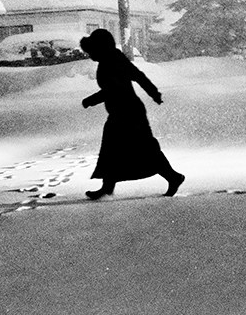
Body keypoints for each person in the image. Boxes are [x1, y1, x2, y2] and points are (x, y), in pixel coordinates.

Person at [79, 28, 185, 200]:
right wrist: (154, 93)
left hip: (129, 113)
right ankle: (107, 187)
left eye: (92, 51)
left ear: (100, 48)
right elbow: (137, 77)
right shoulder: (110, 59)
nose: (90, 55)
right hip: (121, 112)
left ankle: (173, 177)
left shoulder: (113, 60)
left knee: (145, 149)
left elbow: (115, 88)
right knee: (111, 150)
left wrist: (90, 100)